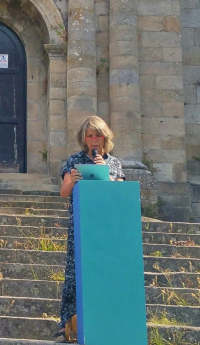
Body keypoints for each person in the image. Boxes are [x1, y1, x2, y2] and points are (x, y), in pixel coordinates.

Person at [56, 116, 124, 342]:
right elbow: (63, 192)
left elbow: (120, 195)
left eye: (98, 135)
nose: (94, 140)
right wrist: (73, 181)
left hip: (106, 227)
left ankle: (105, 321)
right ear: (84, 139)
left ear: (105, 137)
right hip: (81, 224)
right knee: (75, 274)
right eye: (89, 136)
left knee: (104, 272)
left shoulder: (114, 164)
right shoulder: (74, 161)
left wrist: (107, 175)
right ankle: (68, 323)